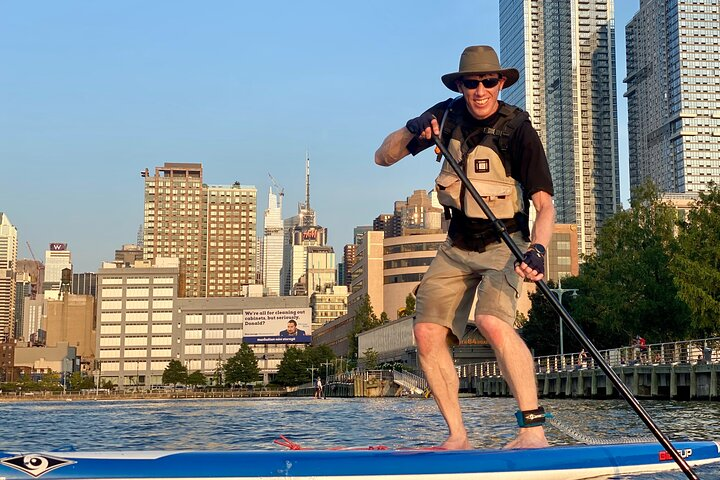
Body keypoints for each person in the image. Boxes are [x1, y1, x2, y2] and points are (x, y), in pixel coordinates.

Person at [375, 45, 555, 450]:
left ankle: (532, 432)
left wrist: (538, 250)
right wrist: (413, 128)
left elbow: (545, 205)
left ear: (501, 83)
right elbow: (382, 158)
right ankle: (457, 437)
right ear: (460, 86)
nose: (479, 90)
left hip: (505, 245)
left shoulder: (519, 130)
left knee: (492, 322)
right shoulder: (446, 116)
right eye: (470, 83)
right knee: (425, 332)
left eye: (488, 82)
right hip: (456, 246)